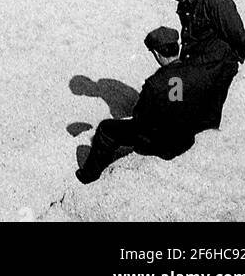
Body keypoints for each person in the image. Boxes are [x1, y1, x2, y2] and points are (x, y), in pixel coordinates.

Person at [76, 28, 221, 184]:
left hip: (161, 145)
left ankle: (88, 176)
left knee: (106, 129)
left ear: (157, 54)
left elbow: (140, 118)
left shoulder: (155, 83)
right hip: (185, 138)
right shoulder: (196, 72)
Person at [153, 0, 245, 129]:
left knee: (209, 107)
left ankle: (204, 133)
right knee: (175, 83)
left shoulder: (217, 1)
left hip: (216, 62)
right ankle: (173, 117)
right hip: (193, 52)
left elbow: (239, 37)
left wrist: (228, 64)